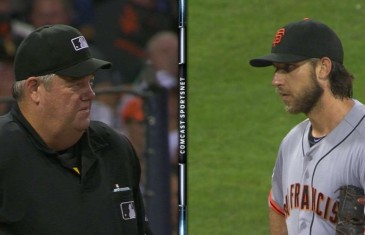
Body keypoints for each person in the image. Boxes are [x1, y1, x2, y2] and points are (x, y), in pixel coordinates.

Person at [0, 24, 152, 235]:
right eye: (75, 84)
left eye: (90, 82)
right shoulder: (5, 151)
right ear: (34, 89)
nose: (90, 94)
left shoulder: (114, 148)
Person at [249, 19, 365, 235]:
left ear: (323, 68)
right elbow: (277, 207)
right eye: (276, 70)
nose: (276, 80)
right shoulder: (291, 142)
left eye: (288, 68)